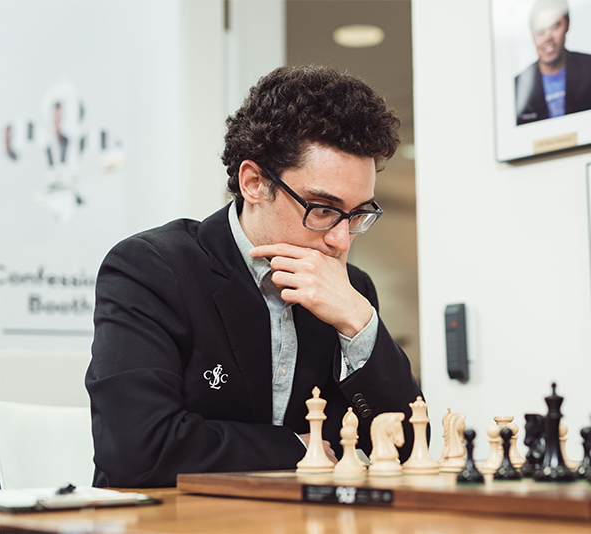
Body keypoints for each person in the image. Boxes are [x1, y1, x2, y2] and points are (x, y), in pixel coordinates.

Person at [85, 66, 424, 488]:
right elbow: (136, 451)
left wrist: (360, 322)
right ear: (253, 182)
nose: (340, 239)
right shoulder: (151, 268)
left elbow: (410, 449)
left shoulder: (349, 292)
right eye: (322, 209)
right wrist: (300, 450)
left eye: (357, 215)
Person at [514, 0, 591, 125]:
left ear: (567, 24)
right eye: (541, 32)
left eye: (555, 27)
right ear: (532, 35)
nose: (548, 38)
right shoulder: (518, 86)